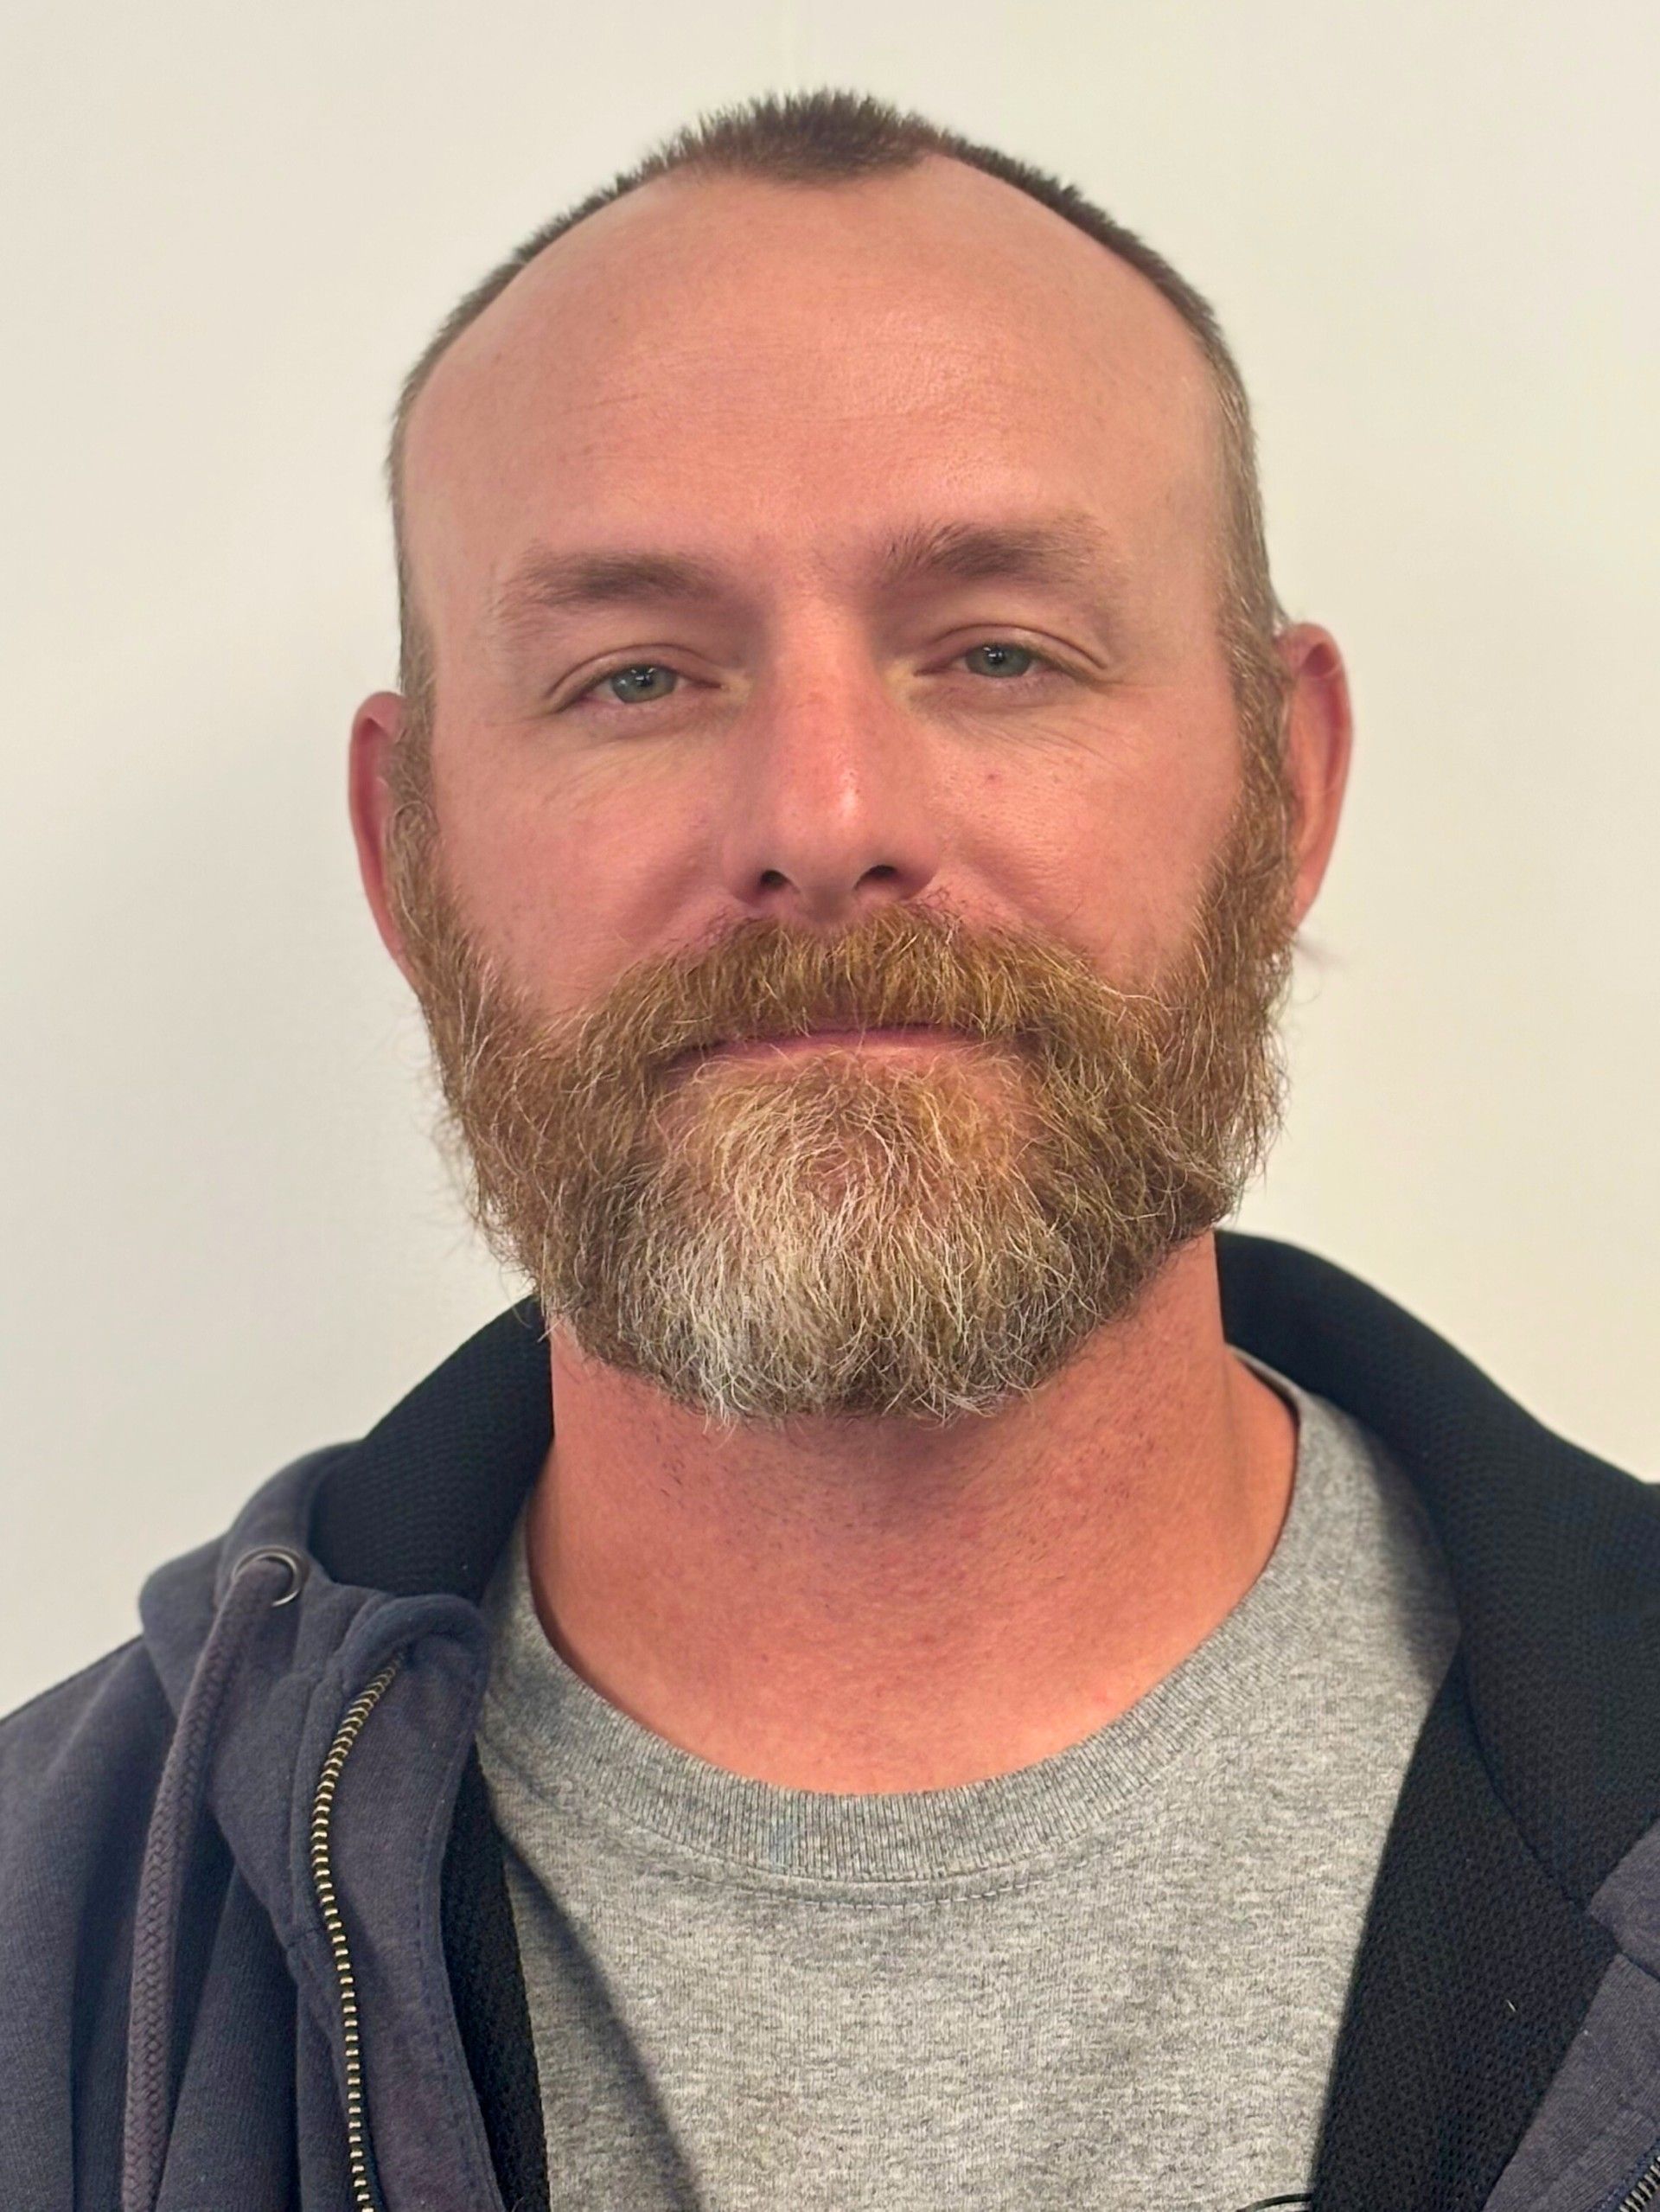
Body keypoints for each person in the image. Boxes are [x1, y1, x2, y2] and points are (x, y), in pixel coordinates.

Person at [2, 85, 1655, 2212]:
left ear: (1287, 791)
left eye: (997, 652)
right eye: (634, 678)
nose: (821, 814)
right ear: (405, 862)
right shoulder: (57, 1964)